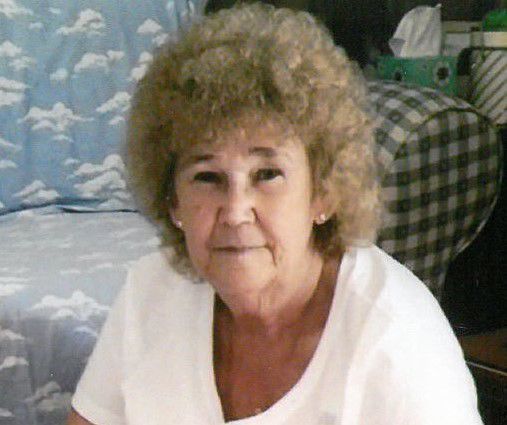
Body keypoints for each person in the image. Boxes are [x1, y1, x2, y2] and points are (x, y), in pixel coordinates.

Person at [67, 3, 482, 424]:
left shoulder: (398, 344)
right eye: (207, 177)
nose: (235, 212)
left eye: (267, 174)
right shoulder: (150, 292)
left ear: (323, 193)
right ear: (173, 200)